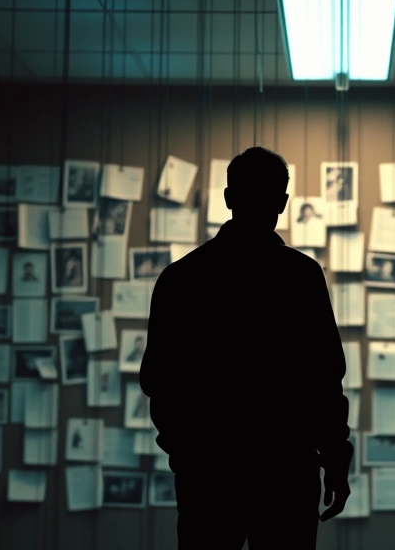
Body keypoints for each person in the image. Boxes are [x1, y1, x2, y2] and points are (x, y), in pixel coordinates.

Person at [140, 147, 352, 550]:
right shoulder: (300, 278)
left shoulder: (183, 278)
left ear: (228, 198)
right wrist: (335, 459)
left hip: (210, 471)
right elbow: (324, 381)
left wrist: (187, 452)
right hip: (286, 469)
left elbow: (159, 380)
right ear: (283, 203)